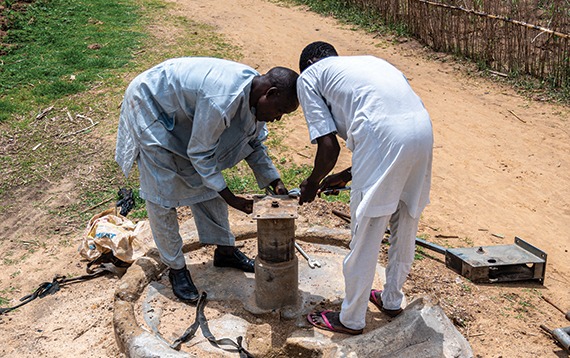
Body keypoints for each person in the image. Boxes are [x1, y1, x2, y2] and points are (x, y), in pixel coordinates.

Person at [115, 57, 299, 303]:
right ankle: (177, 269)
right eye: (280, 111)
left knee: (207, 176)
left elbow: (253, 142)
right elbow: (200, 153)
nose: (278, 118)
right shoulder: (222, 100)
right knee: (162, 191)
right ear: (271, 93)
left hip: (182, 114)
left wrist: (274, 181)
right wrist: (231, 198)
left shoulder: (255, 92)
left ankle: (224, 250)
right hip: (152, 104)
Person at [297, 42, 433, 334]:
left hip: (382, 137)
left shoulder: (308, 76)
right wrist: (346, 175)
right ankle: (392, 299)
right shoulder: (368, 62)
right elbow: (386, 124)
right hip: (422, 130)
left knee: (367, 227)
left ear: (310, 62)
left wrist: (312, 183)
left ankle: (352, 318)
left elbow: (329, 145)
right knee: (406, 217)